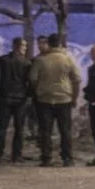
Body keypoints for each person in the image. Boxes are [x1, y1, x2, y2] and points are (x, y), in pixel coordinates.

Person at [29, 33, 82, 167]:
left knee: (45, 130)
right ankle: (67, 158)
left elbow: (33, 78)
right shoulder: (67, 59)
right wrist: (74, 97)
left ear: (49, 44)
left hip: (45, 99)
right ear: (60, 44)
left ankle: (46, 158)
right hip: (64, 99)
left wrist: (39, 90)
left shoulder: (41, 60)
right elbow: (77, 79)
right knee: (65, 130)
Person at [0, 37, 31, 164]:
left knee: (2, 127)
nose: (25, 48)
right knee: (19, 128)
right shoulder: (26, 63)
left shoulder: (3, 60)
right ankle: (16, 155)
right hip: (20, 99)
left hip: (5, 97)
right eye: (24, 46)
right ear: (18, 46)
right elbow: (29, 82)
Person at [26, 35, 49, 140]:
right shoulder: (35, 60)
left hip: (48, 92)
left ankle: (44, 134)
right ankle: (35, 133)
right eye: (39, 43)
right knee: (34, 114)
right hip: (36, 92)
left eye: (43, 42)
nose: (41, 45)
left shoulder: (51, 59)